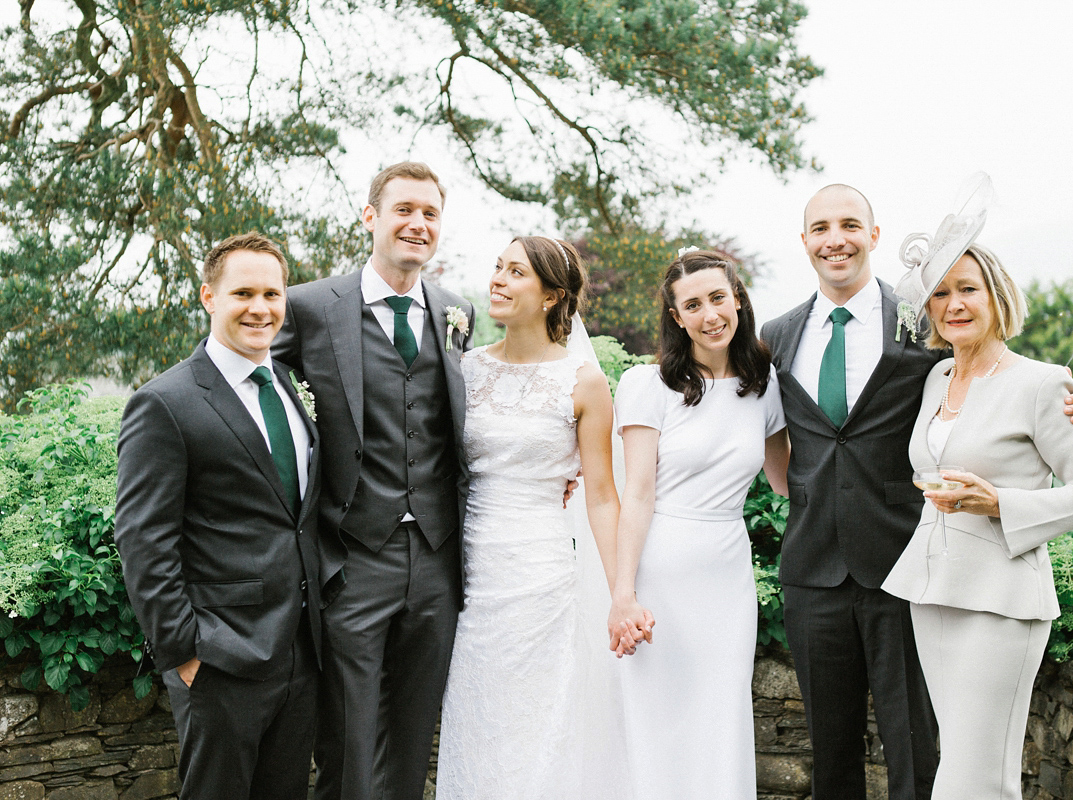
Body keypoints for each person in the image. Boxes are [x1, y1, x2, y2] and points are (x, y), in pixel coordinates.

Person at [759, 184, 1073, 800]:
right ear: (804, 240)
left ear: (874, 234)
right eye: (820, 227)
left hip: (907, 567)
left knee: (928, 757)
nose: (835, 238)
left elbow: (1008, 385)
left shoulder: (917, 328)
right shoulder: (779, 335)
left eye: (849, 224)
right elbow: (758, 425)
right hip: (818, 567)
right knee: (831, 754)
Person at [881, 243, 1073, 798]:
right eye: (940, 292)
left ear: (996, 295)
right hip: (933, 592)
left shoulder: (1042, 382)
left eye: (968, 289)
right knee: (960, 761)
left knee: (976, 776)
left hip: (1003, 599)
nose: (953, 304)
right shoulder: (936, 377)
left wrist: (1000, 504)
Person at [271, 162, 474, 800]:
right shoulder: (308, 306)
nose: (417, 224)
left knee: (416, 733)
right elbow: (250, 394)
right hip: (353, 554)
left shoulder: (456, 312)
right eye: (403, 210)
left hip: (439, 558)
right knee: (349, 738)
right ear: (371, 217)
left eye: (430, 214)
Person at [115, 232, 322, 800]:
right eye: (243, 293)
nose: (261, 308)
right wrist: (184, 653)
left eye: (273, 294)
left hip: (300, 652)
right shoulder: (165, 403)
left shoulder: (284, 385)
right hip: (221, 659)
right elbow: (142, 539)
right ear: (209, 296)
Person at [434, 236, 621, 799]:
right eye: (497, 267)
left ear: (551, 296)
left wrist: (620, 593)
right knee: (474, 717)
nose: (497, 279)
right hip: (464, 572)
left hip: (540, 575)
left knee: (538, 721)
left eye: (515, 272)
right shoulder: (461, 369)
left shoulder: (583, 381)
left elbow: (603, 496)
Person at [608, 249, 790, 800]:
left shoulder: (763, 384)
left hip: (726, 571)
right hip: (660, 568)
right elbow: (635, 496)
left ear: (737, 300)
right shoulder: (647, 385)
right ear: (675, 316)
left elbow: (788, 481)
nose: (710, 314)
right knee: (657, 714)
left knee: (720, 711)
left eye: (718, 298)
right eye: (693, 305)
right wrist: (623, 593)